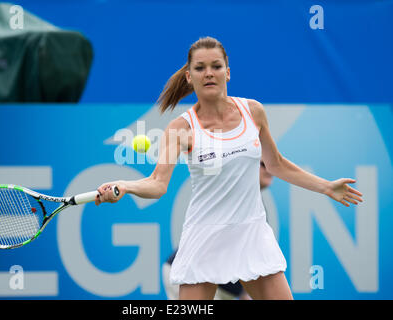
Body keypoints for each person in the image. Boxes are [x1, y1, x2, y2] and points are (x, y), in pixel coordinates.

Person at [95, 37, 363, 300]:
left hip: (251, 233)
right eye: (200, 68)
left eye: (216, 66)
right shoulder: (181, 128)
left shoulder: (253, 112)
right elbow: (157, 183)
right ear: (189, 77)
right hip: (204, 237)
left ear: (228, 72)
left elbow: (276, 164)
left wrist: (327, 186)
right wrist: (126, 186)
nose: (209, 73)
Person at [162, 161, 272, 300]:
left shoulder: (253, 203)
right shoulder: (233, 196)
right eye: (263, 164)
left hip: (216, 284)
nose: (269, 169)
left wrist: (245, 293)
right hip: (195, 277)